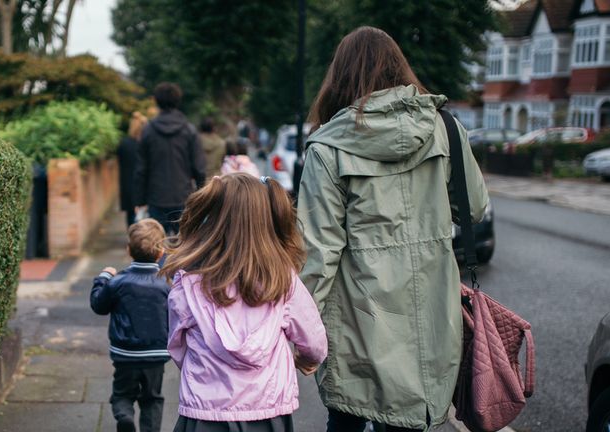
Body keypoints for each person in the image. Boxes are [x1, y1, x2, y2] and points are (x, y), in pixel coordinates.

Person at [297, 27, 489, 432]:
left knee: (345, 418)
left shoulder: (328, 146)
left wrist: (299, 331)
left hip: (355, 323)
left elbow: (319, 251)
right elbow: (472, 209)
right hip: (430, 316)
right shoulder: (446, 129)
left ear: (340, 76)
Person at [161, 173, 328, 432]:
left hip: (204, 412)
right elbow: (314, 341)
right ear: (266, 220)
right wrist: (307, 359)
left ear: (214, 217)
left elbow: (177, 348)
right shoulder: (283, 280)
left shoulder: (189, 284)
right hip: (267, 412)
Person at [89, 219, 171, 432]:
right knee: (152, 399)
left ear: (128, 250)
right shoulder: (166, 284)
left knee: (122, 395)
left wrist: (104, 277)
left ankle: (125, 416)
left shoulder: (118, 282)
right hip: (156, 354)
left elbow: (99, 305)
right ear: (161, 252)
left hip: (125, 353)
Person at [135, 82, 206, 234]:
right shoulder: (189, 130)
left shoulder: (147, 131)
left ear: (156, 101)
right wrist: (202, 197)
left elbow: (141, 169)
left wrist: (140, 201)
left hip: (156, 198)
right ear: (178, 100)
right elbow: (199, 168)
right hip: (184, 197)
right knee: (186, 246)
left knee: (155, 246)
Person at [118, 112, 148, 227]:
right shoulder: (146, 144)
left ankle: (133, 240)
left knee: (131, 218)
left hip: (127, 186)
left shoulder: (124, 144)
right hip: (143, 186)